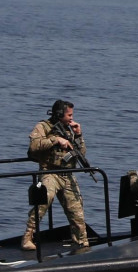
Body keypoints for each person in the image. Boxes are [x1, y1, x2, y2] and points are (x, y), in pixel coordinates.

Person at [23, 99, 90, 250]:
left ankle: (82, 242)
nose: (72, 118)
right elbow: (33, 146)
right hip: (50, 172)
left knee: (77, 211)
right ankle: (28, 237)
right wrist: (55, 140)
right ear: (59, 114)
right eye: (69, 115)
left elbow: (81, 154)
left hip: (67, 174)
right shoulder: (43, 127)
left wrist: (79, 135)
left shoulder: (69, 130)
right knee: (42, 202)